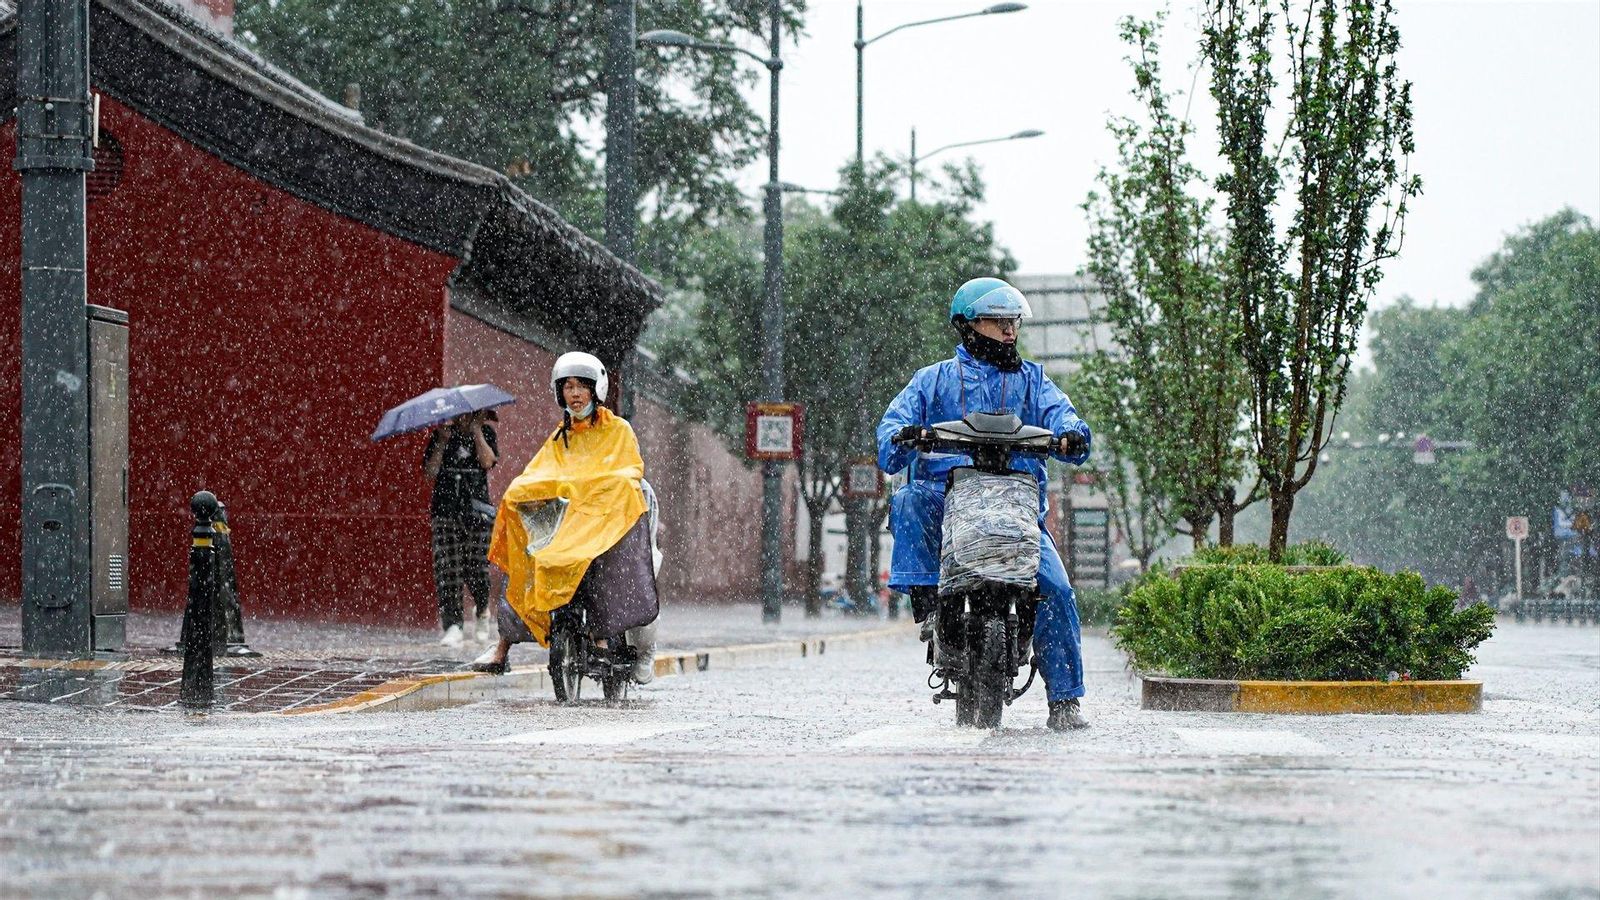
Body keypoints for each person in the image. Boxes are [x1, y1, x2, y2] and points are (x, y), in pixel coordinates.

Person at [876, 277, 1094, 731]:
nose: (1009, 331)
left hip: (1018, 513)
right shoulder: (932, 380)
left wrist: (1073, 435)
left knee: (1056, 589)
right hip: (945, 503)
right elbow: (891, 433)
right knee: (910, 497)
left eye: (1013, 322)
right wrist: (902, 436)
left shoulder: (1034, 381)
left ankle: (1065, 701)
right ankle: (928, 603)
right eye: (998, 322)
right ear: (968, 325)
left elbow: (1064, 417)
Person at [472, 352, 660, 682]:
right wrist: (523, 491)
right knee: (523, 555)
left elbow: (628, 471)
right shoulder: (561, 436)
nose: (574, 394)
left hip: (603, 530)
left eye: (581, 386)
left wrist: (592, 488)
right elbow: (539, 474)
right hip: (564, 530)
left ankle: (614, 641)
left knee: (612, 572)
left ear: (596, 389)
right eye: (568, 387)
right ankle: (502, 646)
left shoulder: (618, 430)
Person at [424, 408, 498, 646]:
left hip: (478, 512)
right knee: (448, 569)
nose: (463, 419)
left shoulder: (486, 432)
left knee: (478, 568)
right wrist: (442, 442)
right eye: (460, 415)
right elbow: (430, 472)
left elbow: (488, 461)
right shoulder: (441, 436)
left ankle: (482, 610)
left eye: (469, 415)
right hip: (445, 510)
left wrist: (477, 433)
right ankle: (453, 624)